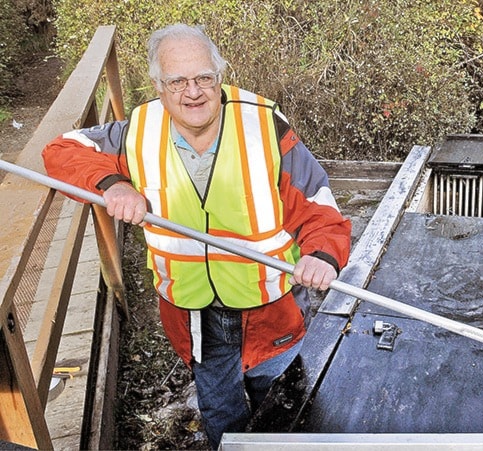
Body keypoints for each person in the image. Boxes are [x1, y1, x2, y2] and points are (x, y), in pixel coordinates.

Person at [42, 23, 351, 449]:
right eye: (177, 81)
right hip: (195, 313)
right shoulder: (137, 132)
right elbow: (60, 151)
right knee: (221, 412)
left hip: (270, 309)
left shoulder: (264, 127)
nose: (193, 92)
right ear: (158, 85)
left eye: (204, 77)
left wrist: (322, 255)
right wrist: (113, 183)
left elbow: (319, 206)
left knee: (284, 406)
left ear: (219, 76)